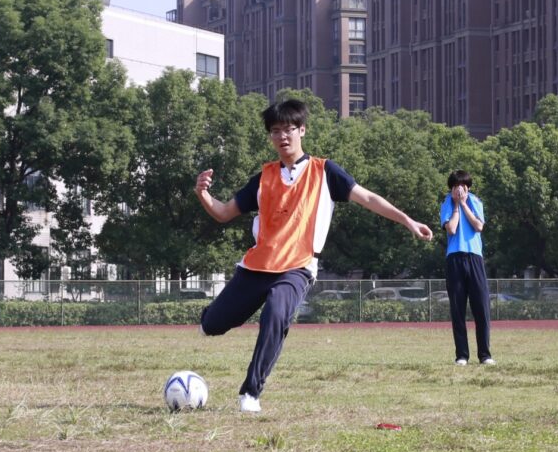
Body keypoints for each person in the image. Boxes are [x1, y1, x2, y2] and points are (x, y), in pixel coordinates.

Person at [194, 99, 434, 412]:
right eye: (276, 131)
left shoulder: (325, 172)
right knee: (212, 325)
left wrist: (407, 220)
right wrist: (202, 194)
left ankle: (250, 393)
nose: (283, 136)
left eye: (289, 129)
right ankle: (211, 317)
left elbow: (369, 197)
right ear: (270, 137)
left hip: (297, 267)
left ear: (302, 130)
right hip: (257, 265)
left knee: (276, 313)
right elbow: (224, 212)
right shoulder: (263, 177)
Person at [440, 169, 494, 366]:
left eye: (461, 186)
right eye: (454, 186)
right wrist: (455, 206)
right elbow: (452, 229)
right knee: (458, 309)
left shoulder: (475, 201)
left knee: (481, 307)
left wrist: (463, 204)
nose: (458, 190)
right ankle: (462, 355)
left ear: (468, 187)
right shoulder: (447, 203)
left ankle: (485, 355)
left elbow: (479, 226)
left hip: (475, 258)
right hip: (454, 259)